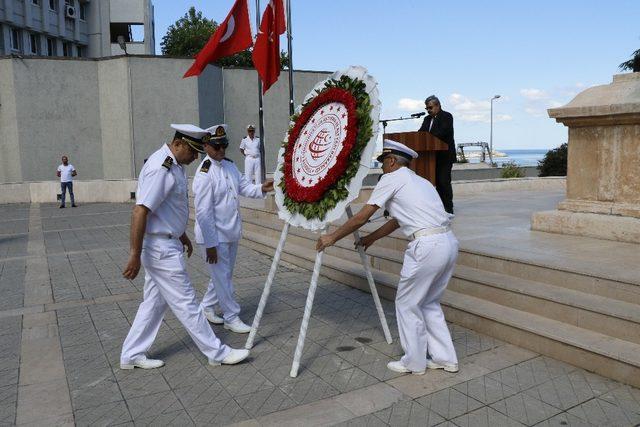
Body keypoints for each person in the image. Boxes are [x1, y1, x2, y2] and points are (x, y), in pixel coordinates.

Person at [316, 139, 459, 375]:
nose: (382, 167)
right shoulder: (421, 182)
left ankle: (413, 362)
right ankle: (446, 359)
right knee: (429, 303)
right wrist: (371, 239)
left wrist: (333, 237)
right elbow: (396, 220)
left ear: (392, 161)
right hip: (448, 242)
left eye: (383, 163)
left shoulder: (391, 179)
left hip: (427, 246)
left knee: (407, 303)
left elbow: (362, 217)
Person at [120, 124, 249, 370]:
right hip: (160, 251)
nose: (195, 157)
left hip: (167, 242)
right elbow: (140, 211)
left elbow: (166, 210)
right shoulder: (162, 169)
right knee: (187, 303)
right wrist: (134, 254)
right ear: (178, 144)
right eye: (193, 151)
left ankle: (131, 354)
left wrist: (181, 236)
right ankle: (217, 352)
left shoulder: (174, 164)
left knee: (154, 304)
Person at [194, 124, 274, 333]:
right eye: (216, 146)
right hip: (213, 237)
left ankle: (207, 307)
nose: (221, 150)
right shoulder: (204, 173)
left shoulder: (229, 166)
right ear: (206, 146)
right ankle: (231, 316)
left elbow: (244, 187)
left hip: (230, 232)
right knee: (222, 277)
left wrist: (261, 188)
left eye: (224, 146)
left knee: (223, 275)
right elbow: (203, 212)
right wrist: (210, 244)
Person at [419, 95, 456, 214]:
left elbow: (443, 132)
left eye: (430, 107)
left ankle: (448, 208)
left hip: (444, 156)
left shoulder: (447, 116)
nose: (428, 110)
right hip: (430, 157)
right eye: (427, 108)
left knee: (443, 181)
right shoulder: (426, 119)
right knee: (431, 183)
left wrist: (428, 137)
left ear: (438, 105)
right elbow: (421, 133)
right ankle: (437, 207)